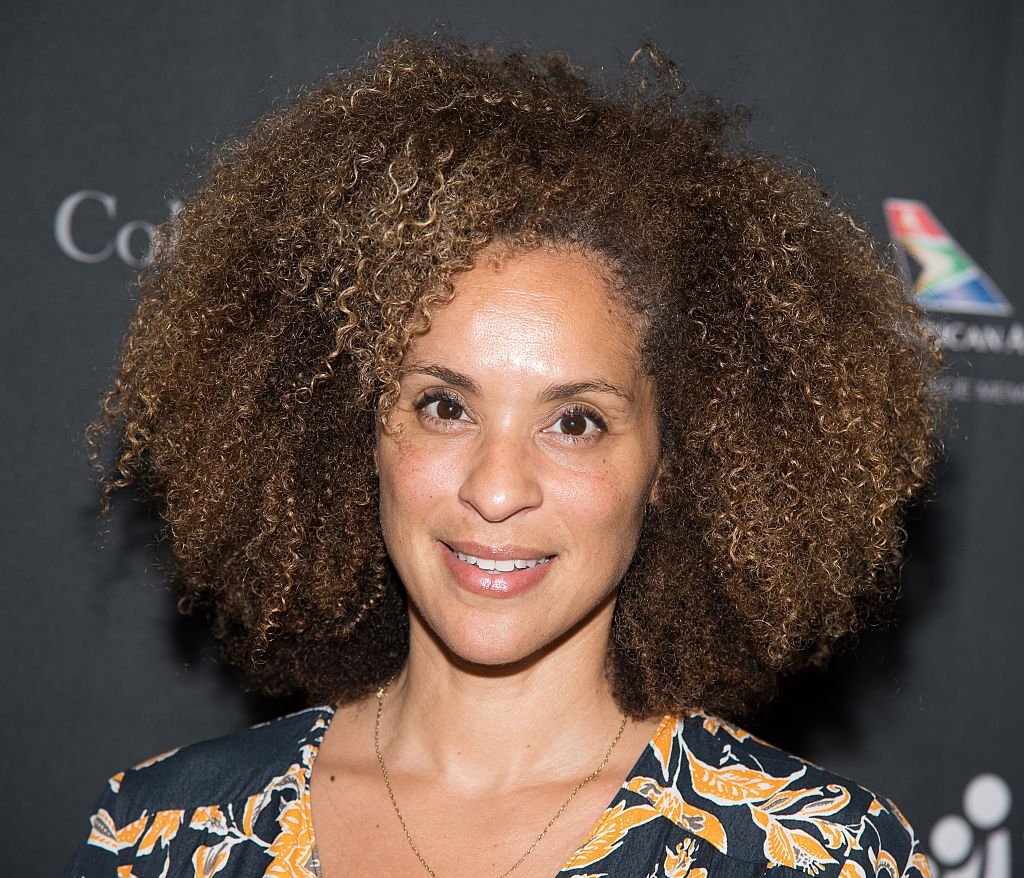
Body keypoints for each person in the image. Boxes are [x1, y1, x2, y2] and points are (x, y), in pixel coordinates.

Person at [66, 36, 941, 878]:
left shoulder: (821, 855)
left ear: (676, 462)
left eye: (576, 423)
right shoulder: (160, 835)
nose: (495, 490)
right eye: (444, 406)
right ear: (355, 432)